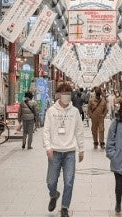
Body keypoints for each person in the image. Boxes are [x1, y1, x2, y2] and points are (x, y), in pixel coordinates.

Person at [44, 82, 86, 217]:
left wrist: (81, 149)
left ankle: (64, 207)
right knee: (51, 181)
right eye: (64, 94)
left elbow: (79, 131)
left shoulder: (74, 112)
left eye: (68, 94)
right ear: (58, 95)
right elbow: (46, 131)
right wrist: (48, 147)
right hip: (55, 151)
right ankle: (54, 194)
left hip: (69, 152)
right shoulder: (51, 111)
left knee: (68, 181)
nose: (66, 96)